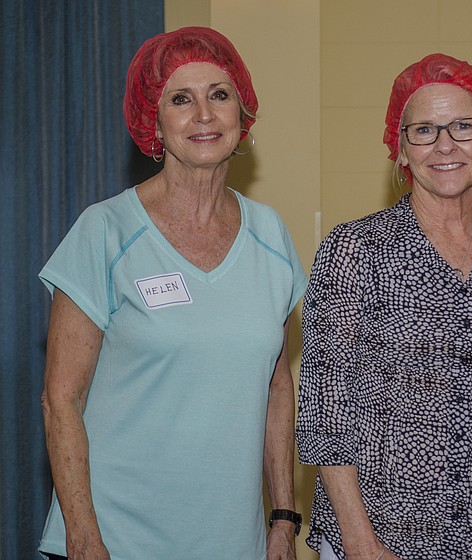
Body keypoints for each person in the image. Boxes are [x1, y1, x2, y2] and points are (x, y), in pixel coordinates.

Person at [38, 27, 306, 560]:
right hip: (118, 534)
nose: (204, 115)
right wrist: (85, 536)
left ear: (242, 114)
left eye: (219, 95)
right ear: (153, 121)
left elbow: (277, 385)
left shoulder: (270, 234)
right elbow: (60, 399)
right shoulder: (106, 231)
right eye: (181, 99)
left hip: (235, 539)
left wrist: (282, 515)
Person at [295, 53, 472, 560]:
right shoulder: (355, 248)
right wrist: (359, 542)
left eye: (463, 126)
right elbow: (326, 409)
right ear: (400, 152)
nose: (445, 144)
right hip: (380, 530)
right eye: (424, 131)